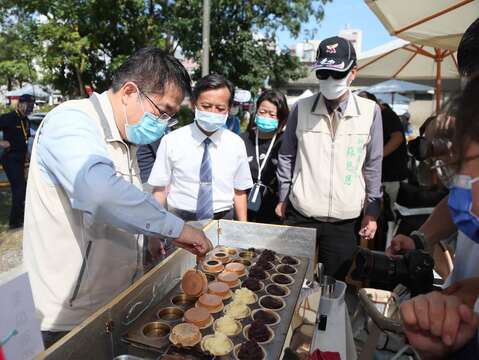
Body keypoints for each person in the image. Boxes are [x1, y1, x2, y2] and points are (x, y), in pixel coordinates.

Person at [22, 48, 213, 348]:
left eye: (170, 118)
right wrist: (174, 227)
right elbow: (100, 193)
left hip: (113, 303)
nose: (163, 124)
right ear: (128, 92)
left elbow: (127, 202)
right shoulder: (71, 121)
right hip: (69, 318)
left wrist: (150, 236)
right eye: (162, 112)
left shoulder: (125, 136)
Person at [276, 36, 383, 280]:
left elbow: (373, 164)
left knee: (332, 286)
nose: (330, 81)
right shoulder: (301, 108)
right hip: (301, 214)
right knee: (288, 280)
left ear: (353, 73)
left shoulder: (369, 112)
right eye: (323, 74)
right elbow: (286, 155)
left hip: (344, 220)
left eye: (337, 74)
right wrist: (283, 195)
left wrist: (372, 210)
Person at [148, 74, 253, 222]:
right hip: (180, 220)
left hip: (223, 219)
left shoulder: (236, 144)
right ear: (193, 105)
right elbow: (159, 190)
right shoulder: (172, 141)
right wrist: (155, 233)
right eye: (206, 106)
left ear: (228, 109)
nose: (212, 113)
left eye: (220, 108)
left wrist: (242, 228)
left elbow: (240, 190)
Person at [240, 90, 289, 223]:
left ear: (281, 117)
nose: (266, 117)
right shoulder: (242, 139)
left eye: (272, 114)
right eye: (262, 112)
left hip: (274, 210)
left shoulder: (285, 142)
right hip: (243, 205)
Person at [0, 94, 34, 229]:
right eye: (28, 105)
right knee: (19, 189)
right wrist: (1, 142)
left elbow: (25, 140)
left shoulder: (26, 121)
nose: (30, 108)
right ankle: (15, 223)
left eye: (32, 105)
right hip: (10, 159)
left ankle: (20, 219)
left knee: (23, 189)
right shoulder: (8, 118)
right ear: (20, 104)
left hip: (21, 159)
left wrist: (28, 154)